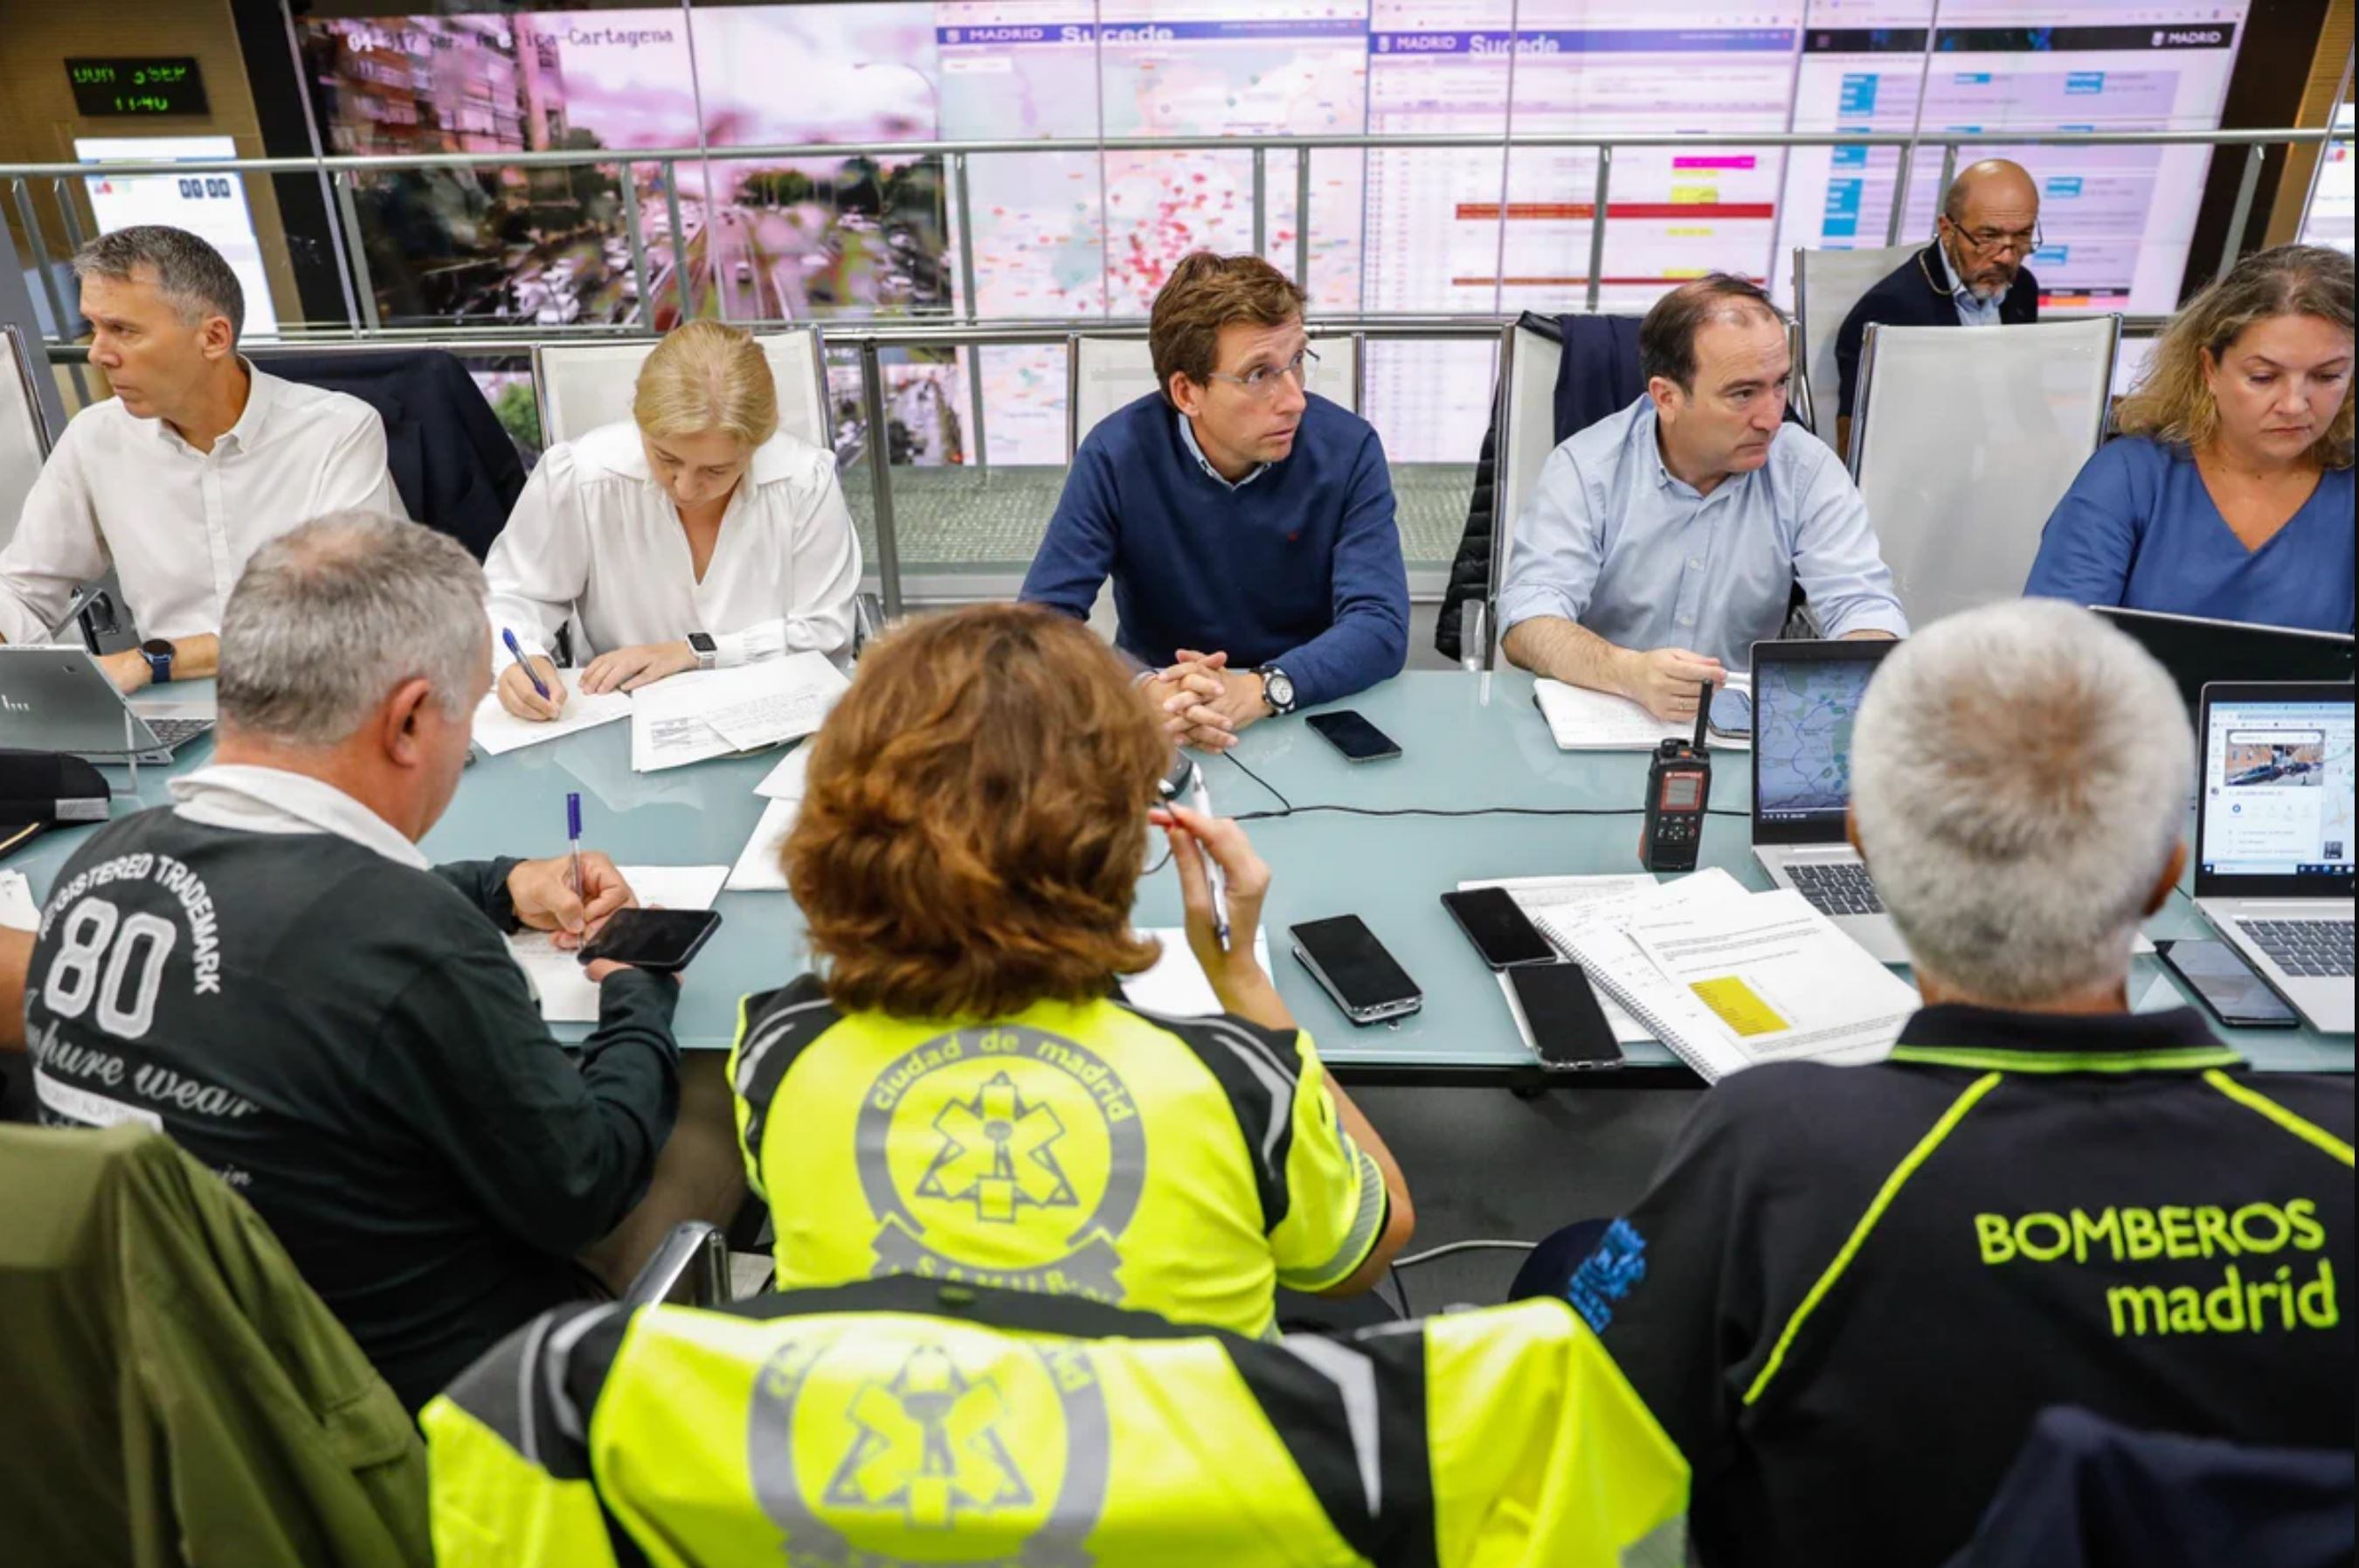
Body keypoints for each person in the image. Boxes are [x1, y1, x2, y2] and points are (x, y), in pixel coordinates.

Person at [1525, 600, 2352, 1567]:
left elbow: (1584, 1409)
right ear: (2165, 874)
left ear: (1864, 845)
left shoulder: (1780, 1149)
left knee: (1572, 1264)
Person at [18, 514, 743, 1413]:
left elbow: (273, 917)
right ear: (407, 720)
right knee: (711, 1086)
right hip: (426, 1416)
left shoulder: (103, 869)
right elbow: (582, 1185)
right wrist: (639, 996)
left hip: (178, 1389)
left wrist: (497, 883)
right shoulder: (416, 949)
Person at [728, 603, 1415, 1339]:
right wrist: (1241, 980)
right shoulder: (1237, 1083)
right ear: (1121, 832)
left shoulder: (776, 1046)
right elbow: (1371, 1244)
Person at [1020, 253, 1409, 750]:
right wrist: (1142, 690)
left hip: (1301, 704)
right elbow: (1042, 623)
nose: (1294, 399)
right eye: (1258, 375)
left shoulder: (1349, 449)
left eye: (1296, 362)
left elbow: (1380, 624)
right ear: (1187, 392)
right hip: (1161, 716)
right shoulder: (1116, 454)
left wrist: (1261, 689)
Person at [0, 226, 403, 692]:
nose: (97, 354)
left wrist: (154, 661)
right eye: (93, 327)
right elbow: (21, 589)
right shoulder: (96, 438)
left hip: (318, 699)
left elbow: (352, 621)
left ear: (213, 338)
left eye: (122, 330)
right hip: (175, 712)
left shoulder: (336, 431)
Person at [1500, 274, 1906, 724]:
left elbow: (1862, 603)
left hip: (1739, 726)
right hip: (1606, 709)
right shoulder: (1587, 467)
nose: (1772, 418)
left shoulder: (1804, 467)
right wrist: (1628, 672)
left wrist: (1862, 661)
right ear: (1667, 397)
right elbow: (1528, 621)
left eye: (1779, 385)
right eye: (1743, 394)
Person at [487, 320, 861, 721]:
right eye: (666, 458)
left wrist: (693, 653)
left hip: (774, 716)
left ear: (757, 445)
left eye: (715, 471)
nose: (685, 488)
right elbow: (511, 596)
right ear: (641, 424)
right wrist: (522, 657)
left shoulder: (804, 482)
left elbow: (827, 636)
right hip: (619, 719)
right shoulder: (580, 476)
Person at [2025, 244, 2354, 633]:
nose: (2295, 405)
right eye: (2264, 378)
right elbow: (2051, 656)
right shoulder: (2130, 478)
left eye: (2327, 376)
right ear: (2209, 369)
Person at [1832, 157, 2044, 440]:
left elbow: (2026, 397)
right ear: (1947, 230)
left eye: (2022, 236)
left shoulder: (2022, 288)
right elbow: (1856, 438)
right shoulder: (1890, 311)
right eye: (1988, 236)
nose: (2006, 256)